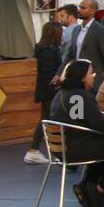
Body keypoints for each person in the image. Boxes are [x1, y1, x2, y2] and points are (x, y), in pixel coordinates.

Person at [49, 59, 104, 207]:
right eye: (91, 73)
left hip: (64, 146)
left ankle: (86, 186)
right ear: (82, 76)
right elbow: (97, 123)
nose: (94, 76)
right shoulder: (79, 96)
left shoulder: (61, 94)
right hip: (77, 146)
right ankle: (99, 189)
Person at [24, 21, 66, 165]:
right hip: (50, 91)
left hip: (45, 90)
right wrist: (59, 81)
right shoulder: (49, 50)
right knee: (55, 121)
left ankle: (35, 151)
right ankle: (57, 154)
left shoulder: (44, 49)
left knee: (46, 120)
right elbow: (49, 73)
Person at [67, 0, 104, 91]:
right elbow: (70, 55)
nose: (79, 10)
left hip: (94, 81)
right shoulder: (76, 30)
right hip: (77, 80)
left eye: (83, 8)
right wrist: (59, 74)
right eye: (79, 7)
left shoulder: (100, 30)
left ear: (93, 10)